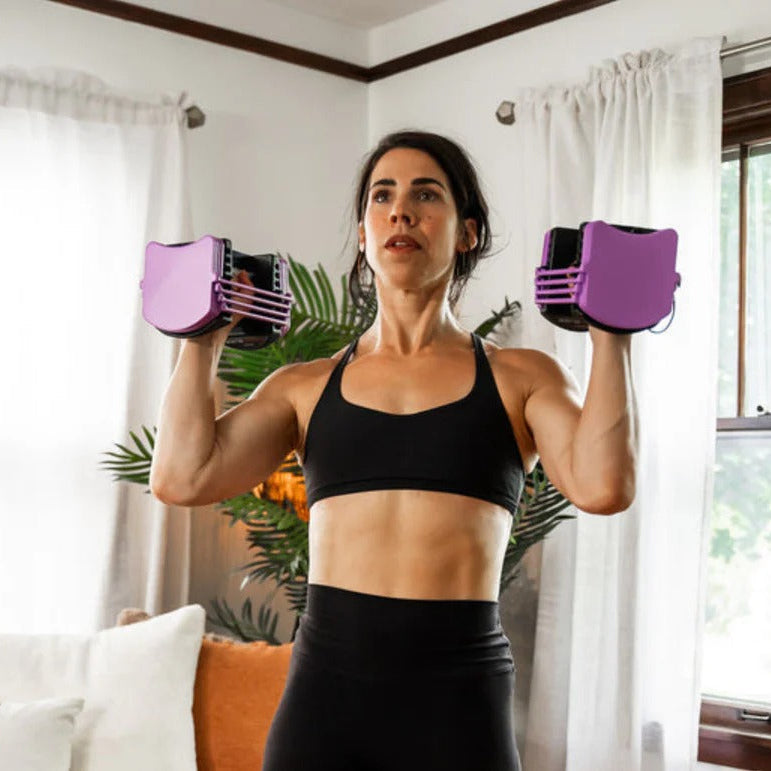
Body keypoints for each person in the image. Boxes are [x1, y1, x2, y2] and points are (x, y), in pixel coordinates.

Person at [149, 130, 638, 770]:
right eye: (383, 196)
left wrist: (612, 330)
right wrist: (202, 336)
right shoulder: (305, 386)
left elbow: (603, 487)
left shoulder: (522, 378)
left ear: (467, 233)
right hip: (325, 703)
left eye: (426, 195)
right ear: (363, 233)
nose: (401, 211)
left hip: (458, 704)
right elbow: (181, 478)